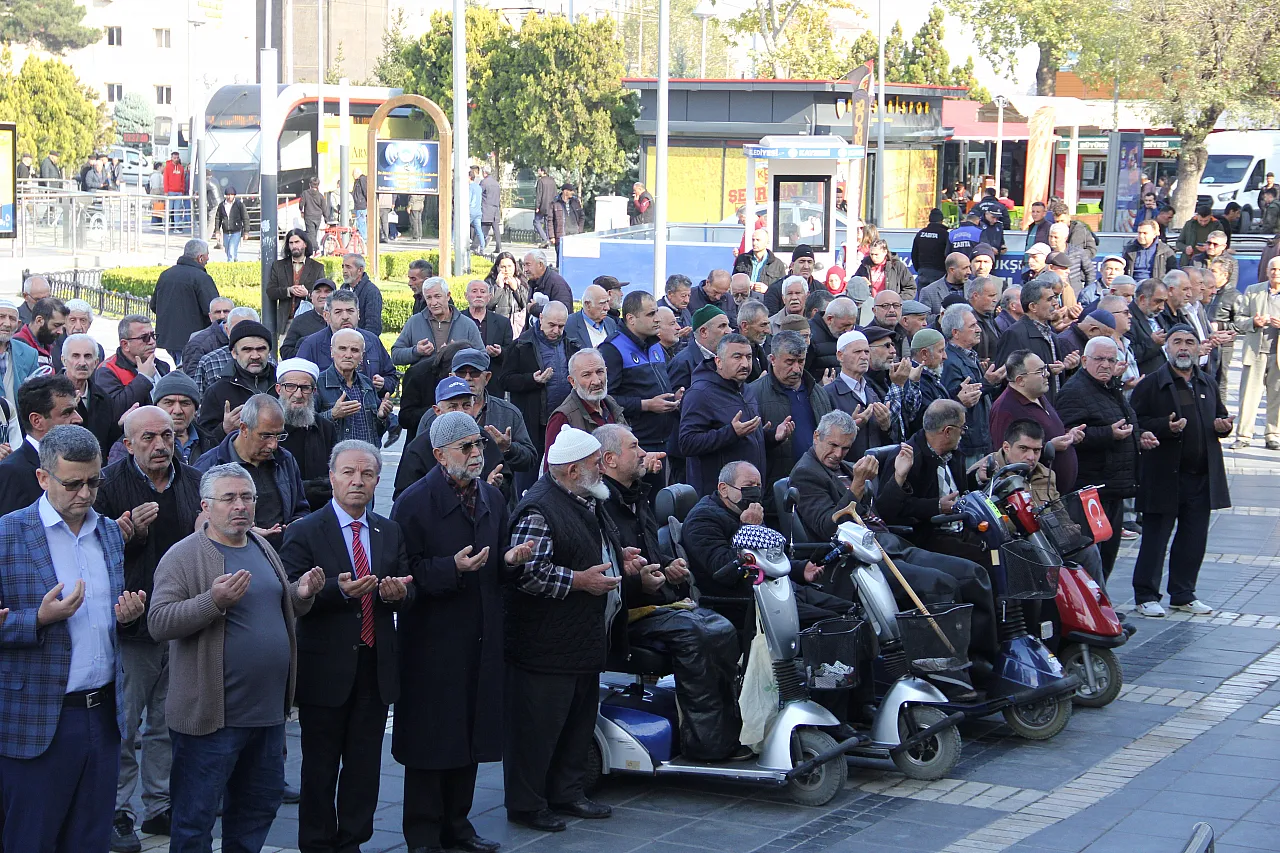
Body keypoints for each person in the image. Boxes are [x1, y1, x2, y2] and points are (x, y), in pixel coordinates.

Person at [148, 463, 324, 853]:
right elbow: (158, 622)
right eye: (229, 498)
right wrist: (214, 601)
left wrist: (302, 593)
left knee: (256, 811)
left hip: (267, 716)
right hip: (211, 721)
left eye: (247, 497)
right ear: (206, 506)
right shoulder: (184, 556)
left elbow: (280, 608)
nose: (240, 506)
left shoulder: (261, 547)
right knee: (195, 819)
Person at [0, 424, 143, 853]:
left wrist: (129, 619)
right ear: (43, 479)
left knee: (90, 840)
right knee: (32, 840)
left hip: (102, 715)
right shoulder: (7, 534)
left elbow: (107, 621)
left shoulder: (109, 534)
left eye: (94, 481)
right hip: (38, 719)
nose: (85, 493)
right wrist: (37, 620)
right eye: (73, 483)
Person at [390, 414, 519, 852]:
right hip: (432, 642)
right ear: (440, 454)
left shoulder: (492, 498)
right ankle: (424, 836)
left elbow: (496, 563)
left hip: (480, 637)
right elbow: (402, 573)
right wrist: (451, 568)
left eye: (478, 444)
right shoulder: (413, 502)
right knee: (433, 741)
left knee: (470, 735)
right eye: (465, 447)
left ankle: (458, 828)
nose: (477, 453)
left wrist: (512, 560)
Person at [279, 441, 414, 853]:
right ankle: (318, 843)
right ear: (332, 476)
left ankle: (353, 840)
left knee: (364, 765)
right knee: (319, 766)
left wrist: (397, 594)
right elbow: (288, 594)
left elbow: (408, 585)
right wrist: (336, 591)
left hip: (375, 666)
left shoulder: (388, 530)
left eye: (367, 474)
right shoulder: (305, 530)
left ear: (376, 480)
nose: (358, 481)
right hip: (326, 670)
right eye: (349, 473)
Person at [791, 411, 998, 677]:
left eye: (845, 447)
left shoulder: (842, 467)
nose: (839, 453)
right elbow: (828, 527)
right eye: (833, 445)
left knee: (972, 573)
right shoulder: (806, 474)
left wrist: (896, 478)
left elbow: (876, 509)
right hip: (855, 560)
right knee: (938, 584)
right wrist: (856, 485)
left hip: (887, 543)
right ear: (816, 436)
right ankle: (945, 673)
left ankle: (981, 658)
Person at [503, 427, 631, 833]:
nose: (601, 469)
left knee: (576, 724)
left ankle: (567, 792)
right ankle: (528, 804)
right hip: (545, 645)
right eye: (595, 464)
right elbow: (528, 575)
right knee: (538, 731)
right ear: (573, 470)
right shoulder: (540, 508)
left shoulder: (586, 500)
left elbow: (588, 547)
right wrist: (579, 581)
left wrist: (619, 556)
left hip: (581, 640)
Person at [596, 423, 746, 760]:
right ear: (609, 459)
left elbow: (651, 553)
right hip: (622, 615)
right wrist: (639, 581)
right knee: (696, 634)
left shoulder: (636, 496)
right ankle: (707, 745)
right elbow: (604, 568)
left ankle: (730, 732)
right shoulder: (598, 505)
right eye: (633, 446)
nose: (642, 452)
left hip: (654, 603)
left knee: (720, 627)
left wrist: (670, 569)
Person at [96, 406, 203, 851]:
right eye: (149, 439)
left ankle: (158, 805)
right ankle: (117, 810)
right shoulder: (106, 486)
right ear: (128, 444)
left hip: (180, 622)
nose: (161, 446)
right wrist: (125, 535)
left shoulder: (195, 481)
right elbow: (92, 556)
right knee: (124, 725)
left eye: (168, 435)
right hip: (132, 625)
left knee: (166, 720)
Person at [1130, 326, 1233, 617]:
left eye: (1190, 342)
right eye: (1177, 342)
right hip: (1164, 476)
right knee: (1155, 538)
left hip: (1200, 476)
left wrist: (1224, 426)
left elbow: (1220, 415)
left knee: (1193, 537)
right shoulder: (1151, 384)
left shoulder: (1207, 382)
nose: (1184, 348)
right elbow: (1135, 423)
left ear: (1200, 348)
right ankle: (1146, 595)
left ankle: (1183, 593)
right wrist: (1165, 427)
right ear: (1168, 348)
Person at [683, 460, 848, 631]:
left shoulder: (747, 510)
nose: (754, 491)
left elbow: (769, 557)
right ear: (724, 489)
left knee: (849, 609)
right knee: (833, 623)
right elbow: (724, 569)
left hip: (781, 588)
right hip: (747, 601)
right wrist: (749, 529)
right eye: (749, 485)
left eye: (758, 486)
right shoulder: (702, 519)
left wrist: (801, 569)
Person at [1055, 337, 1157, 579]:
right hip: (1091, 489)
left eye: (1111, 360)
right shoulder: (1074, 391)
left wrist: (1140, 436)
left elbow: (1125, 421)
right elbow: (1070, 434)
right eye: (1099, 359)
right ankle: (1096, 610)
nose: (1105, 365)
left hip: (1113, 488)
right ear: (1084, 361)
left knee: (1109, 553)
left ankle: (1104, 607)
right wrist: (1107, 434)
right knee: (1093, 556)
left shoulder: (1111, 386)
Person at [399, 349, 537, 503]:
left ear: (487, 377)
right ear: (437, 410)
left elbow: (515, 472)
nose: (468, 378)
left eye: (475, 373)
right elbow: (406, 492)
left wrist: (507, 451)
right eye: (452, 406)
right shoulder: (426, 431)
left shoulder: (504, 418)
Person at [194, 395, 310, 551]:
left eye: (278, 436)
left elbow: (300, 507)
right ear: (244, 429)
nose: (273, 445)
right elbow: (198, 523)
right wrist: (243, 532)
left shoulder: (285, 460)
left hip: (283, 554)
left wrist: (296, 526)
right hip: (233, 556)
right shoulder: (211, 465)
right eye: (266, 436)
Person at [679, 334, 776, 496]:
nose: (745, 364)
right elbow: (687, 443)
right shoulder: (699, 394)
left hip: (751, 492)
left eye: (749, 357)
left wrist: (771, 437)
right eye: (737, 357)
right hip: (718, 498)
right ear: (719, 361)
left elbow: (744, 440)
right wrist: (731, 432)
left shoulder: (746, 389)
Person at [600, 291, 679, 474]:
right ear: (631, 319)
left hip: (663, 439)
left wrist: (673, 397)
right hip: (636, 443)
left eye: (657, 312)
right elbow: (605, 400)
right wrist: (646, 405)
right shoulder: (613, 348)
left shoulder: (655, 345)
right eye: (651, 314)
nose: (657, 319)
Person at [989, 350, 1085, 494]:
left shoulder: (1038, 396)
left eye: (1045, 369)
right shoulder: (1005, 409)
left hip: (1054, 495)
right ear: (1020, 380)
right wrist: (1050, 447)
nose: (1047, 374)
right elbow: (1004, 458)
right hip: (1032, 498)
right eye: (1040, 371)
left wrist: (1068, 435)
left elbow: (1048, 432)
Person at [747, 330, 821, 513]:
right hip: (776, 492)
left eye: (801, 362)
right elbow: (746, 447)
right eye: (789, 362)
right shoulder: (753, 394)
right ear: (772, 359)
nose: (796, 369)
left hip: (816, 489)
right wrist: (772, 437)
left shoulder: (818, 392)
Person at [505, 301, 577, 482]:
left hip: (564, 421)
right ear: (541, 318)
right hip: (533, 423)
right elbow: (504, 380)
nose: (556, 330)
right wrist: (532, 380)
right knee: (528, 475)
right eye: (552, 325)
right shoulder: (522, 344)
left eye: (561, 326)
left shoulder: (571, 345)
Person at [0, 375, 84, 515]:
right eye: (67, 413)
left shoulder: (78, 461)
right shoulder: (11, 473)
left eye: (75, 410)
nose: (78, 419)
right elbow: (10, 533)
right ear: (37, 421)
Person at [994, 279, 1080, 405]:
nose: (1055, 304)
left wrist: (1067, 367)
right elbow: (1006, 378)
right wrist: (1046, 371)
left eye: (1055, 298)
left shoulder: (1052, 335)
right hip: (1027, 412)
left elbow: (1055, 379)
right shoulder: (1014, 334)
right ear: (1033, 306)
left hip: (1050, 409)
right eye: (1050, 299)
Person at [296, 290, 398, 392]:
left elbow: (391, 376)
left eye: (350, 311)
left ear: (358, 314)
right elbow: (298, 382)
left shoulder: (372, 340)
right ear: (326, 316)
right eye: (338, 312)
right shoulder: (311, 344)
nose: (345, 317)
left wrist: (383, 384)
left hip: (369, 406)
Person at [196, 321, 278, 438]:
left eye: (261, 349)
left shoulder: (284, 385)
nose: (255, 356)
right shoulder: (217, 391)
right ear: (234, 353)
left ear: (269, 351)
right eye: (247, 350)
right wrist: (224, 429)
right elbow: (204, 440)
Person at [275, 358, 338, 509]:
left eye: (305, 388)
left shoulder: (326, 428)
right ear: (278, 389)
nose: (298, 394)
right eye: (290, 386)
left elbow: (334, 472)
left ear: (314, 391)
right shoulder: (267, 428)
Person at [1231, 256, 1280, 449]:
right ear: (1267, 271)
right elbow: (1238, 320)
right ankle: (1243, 436)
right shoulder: (1253, 291)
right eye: (1272, 269)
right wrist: (1253, 322)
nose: (1275, 273)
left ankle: (1273, 434)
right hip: (1256, 351)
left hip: (1278, 354)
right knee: (1249, 396)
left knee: (1277, 396)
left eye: (1279, 269)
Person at [316, 330, 394, 447]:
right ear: (332, 351)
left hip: (368, 458)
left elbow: (377, 431)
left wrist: (381, 417)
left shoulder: (367, 383)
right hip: (336, 460)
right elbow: (306, 425)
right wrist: (332, 414)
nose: (348, 355)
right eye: (342, 348)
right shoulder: (318, 383)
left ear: (362, 355)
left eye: (355, 350)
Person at [150, 240, 220, 367]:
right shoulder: (201, 278)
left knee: (180, 367)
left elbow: (154, 305)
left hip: (168, 338)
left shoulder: (166, 274)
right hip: (192, 339)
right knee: (189, 373)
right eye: (207, 255)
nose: (208, 258)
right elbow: (213, 310)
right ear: (200, 257)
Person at [940, 304, 995, 461]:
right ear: (955, 333)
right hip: (968, 446)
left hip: (981, 440)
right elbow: (955, 401)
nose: (978, 329)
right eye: (972, 326)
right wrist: (988, 383)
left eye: (977, 324)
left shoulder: (970, 355)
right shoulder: (949, 362)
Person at [825, 330, 892, 456]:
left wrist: (886, 426)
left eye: (866, 352)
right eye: (857, 352)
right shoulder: (827, 394)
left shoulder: (872, 392)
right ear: (840, 356)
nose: (864, 356)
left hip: (872, 469)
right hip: (844, 471)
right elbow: (822, 441)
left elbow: (885, 441)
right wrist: (851, 426)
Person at [392, 276, 483, 367]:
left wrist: (457, 353)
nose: (433, 302)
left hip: (455, 380)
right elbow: (395, 356)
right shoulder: (414, 322)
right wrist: (416, 351)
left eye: (437, 296)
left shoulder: (467, 324)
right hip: (423, 380)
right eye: (429, 298)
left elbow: (483, 357)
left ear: (448, 296)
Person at [98, 314, 172, 421]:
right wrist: (144, 378)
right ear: (125, 345)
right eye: (144, 338)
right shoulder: (107, 370)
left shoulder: (162, 366)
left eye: (153, 335)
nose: (152, 342)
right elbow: (114, 409)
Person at [884, 328, 950, 439]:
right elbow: (927, 419)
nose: (945, 356)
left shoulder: (928, 376)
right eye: (940, 351)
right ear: (924, 354)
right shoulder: (913, 380)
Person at [62, 332, 118, 457]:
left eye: (88, 356)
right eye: (75, 356)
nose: (82, 363)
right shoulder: (49, 394)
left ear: (96, 362)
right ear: (63, 360)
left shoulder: (104, 398)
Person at [192, 307, 265, 395]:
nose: (244, 334)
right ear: (227, 330)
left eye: (250, 329)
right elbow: (197, 401)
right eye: (237, 330)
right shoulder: (209, 362)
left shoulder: (268, 360)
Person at [267, 230, 325, 337]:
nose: (294, 246)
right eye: (291, 243)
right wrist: (288, 290)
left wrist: (307, 294)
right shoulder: (278, 266)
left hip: (309, 323)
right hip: (286, 322)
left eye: (297, 242)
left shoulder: (317, 267)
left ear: (305, 244)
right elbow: (271, 291)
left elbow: (324, 295)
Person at [463, 278, 514, 390]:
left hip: (493, 381)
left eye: (483, 292)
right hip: (464, 379)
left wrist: (500, 352)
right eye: (474, 291)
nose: (479, 295)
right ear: (466, 296)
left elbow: (511, 354)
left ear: (489, 297)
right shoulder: (458, 320)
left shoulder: (503, 322)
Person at [668, 305, 730, 393]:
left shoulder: (725, 356)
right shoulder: (682, 363)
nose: (729, 331)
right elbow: (675, 401)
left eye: (728, 325)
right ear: (704, 332)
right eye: (722, 326)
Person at [280, 279, 336, 360]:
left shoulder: (343, 319)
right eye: (318, 291)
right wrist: (307, 353)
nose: (323, 295)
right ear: (311, 296)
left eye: (327, 291)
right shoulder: (300, 321)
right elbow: (285, 351)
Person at [180, 297, 235, 377]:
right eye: (217, 312)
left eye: (226, 311)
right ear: (210, 316)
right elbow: (193, 377)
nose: (222, 316)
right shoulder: (197, 344)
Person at [806, 296, 860, 378]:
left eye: (852, 325)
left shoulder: (854, 334)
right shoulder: (809, 335)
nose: (848, 330)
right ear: (829, 319)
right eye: (845, 325)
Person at [1128, 278, 1170, 376]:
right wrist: (1153, 343)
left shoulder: (1158, 315)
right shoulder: (1127, 318)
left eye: (1164, 302)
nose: (1162, 307)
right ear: (1142, 299)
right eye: (1158, 301)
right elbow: (1129, 354)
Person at [918, 252, 972, 324]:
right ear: (952, 270)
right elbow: (924, 319)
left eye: (969, 267)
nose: (969, 272)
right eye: (965, 268)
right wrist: (948, 317)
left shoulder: (973, 287)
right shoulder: (928, 292)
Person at [15, 296, 66, 369]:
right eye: (56, 325)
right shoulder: (19, 346)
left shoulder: (45, 341)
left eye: (62, 326)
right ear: (39, 320)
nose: (60, 332)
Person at [732, 228, 787, 294]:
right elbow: (733, 282)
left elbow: (783, 290)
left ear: (767, 242)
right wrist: (745, 285)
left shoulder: (777, 264)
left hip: (766, 301)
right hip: (744, 300)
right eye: (753, 240)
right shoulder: (742, 259)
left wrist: (767, 290)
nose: (754, 243)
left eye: (758, 240)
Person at [340, 254, 383, 336]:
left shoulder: (372, 292)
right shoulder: (343, 288)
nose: (344, 271)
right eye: (343, 266)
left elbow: (374, 327)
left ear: (360, 270)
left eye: (348, 267)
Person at [911, 208, 950, 288]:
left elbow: (914, 254)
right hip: (939, 272)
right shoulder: (944, 234)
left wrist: (919, 269)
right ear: (941, 220)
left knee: (923, 298)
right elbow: (948, 253)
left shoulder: (921, 233)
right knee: (937, 298)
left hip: (923, 272)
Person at [549, 183, 583, 266]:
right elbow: (550, 220)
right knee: (561, 261)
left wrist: (579, 230)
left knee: (574, 259)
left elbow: (582, 216)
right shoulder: (555, 203)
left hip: (574, 235)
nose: (572, 193)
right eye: (570, 191)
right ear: (565, 191)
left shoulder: (575, 202)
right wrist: (552, 236)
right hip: (561, 236)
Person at [212, 187, 249, 262]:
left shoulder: (239, 205)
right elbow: (218, 218)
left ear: (234, 195)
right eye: (228, 195)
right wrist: (217, 231)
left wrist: (246, 232)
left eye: (231, 195)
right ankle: (235, 261)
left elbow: (245, 218)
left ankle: (230, 266)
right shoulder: (222, 205)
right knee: (227, 250)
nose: (230, 196)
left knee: (231, 251)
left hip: (236, 231)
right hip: (226, 232)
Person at [657, 274, 694, 341]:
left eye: (689, 296)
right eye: (683, 296)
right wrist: (676, 337)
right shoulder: (657, 312)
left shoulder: (685, 310)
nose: (687, 300)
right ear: (670, 294)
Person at [162, 151, 189, 231]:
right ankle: (166, 226)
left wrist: (182, 190)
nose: (176, 159)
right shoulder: (167, 167)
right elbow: (165, 180)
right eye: (174, 158)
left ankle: (176, 227)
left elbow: (182, 180)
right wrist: (166, 191)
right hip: (170, 191)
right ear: (171, 158)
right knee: (169, 210)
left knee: (177, 211)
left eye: (177, 158)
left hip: (179, 192)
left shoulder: (181, 168)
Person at [480, 165, 502, 254]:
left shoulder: (484, 182)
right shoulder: (496, 183)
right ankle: (499, 247)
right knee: (496, 230)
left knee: (483, 229)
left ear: (484, 173)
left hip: (486, 209)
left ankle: (480, 247)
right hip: (495, 209)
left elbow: (479, 193)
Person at [532, 167, 557, 248]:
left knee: (536, 222)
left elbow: (539, 194)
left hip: (542, 206)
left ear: (542, 172)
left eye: (539, 170)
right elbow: (555, 193)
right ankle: (547, 242)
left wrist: (537, 206)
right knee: (547, 223)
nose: (538, 172)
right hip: (551, 205)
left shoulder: (540, 181)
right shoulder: (552, 181)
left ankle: (545, 239)